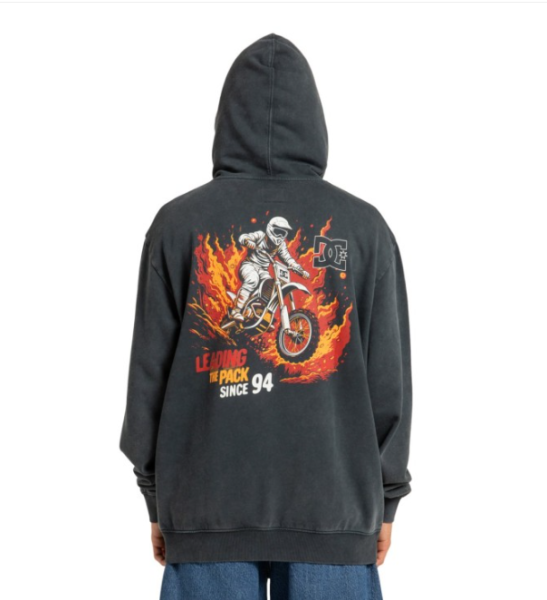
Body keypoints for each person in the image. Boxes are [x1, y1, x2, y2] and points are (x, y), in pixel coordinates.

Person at [120, 33, 413, 600]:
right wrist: (385, 499)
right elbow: (389, 385)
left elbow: (146, 380)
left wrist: (159, 499)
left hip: (207, 508)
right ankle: (246, 315)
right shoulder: (366, 228)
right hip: (332, 510)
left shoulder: (177, 224)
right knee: (252, 285)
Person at [231, 216, 310, 322]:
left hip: (263, 270)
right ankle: (236, 310)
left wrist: (300, 270)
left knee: (270, 289)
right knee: (253, 279)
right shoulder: (261, 235)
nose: (279, 236)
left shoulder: (281, 245)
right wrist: (247, 241)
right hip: (249, 265)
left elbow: (288, 258)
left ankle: (259, 314)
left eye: (282, 233)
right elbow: (243, 237)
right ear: (270, 229)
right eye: (277, 232)